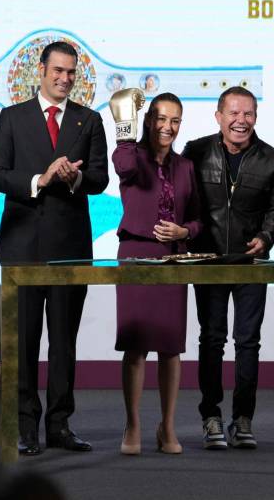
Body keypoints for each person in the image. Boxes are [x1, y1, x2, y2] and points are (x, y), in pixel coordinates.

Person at [0, 41, 109, 456]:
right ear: (40, 70)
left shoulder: (89, 120)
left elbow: (99, 179)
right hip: (21, 247)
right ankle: (25, 428)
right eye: (58, 70)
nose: (65, 78)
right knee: (22, 345)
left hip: (69, 248)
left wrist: (75, 178)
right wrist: (40, 179)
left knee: (63, 344)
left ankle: (60, 425)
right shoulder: (12, 117)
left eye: (71, 72)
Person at [181, 86, 274, 450]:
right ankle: (210, 416)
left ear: (256, 117)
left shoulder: (271, 158)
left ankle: (243, 419)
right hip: (208, 260)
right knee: (211, 339)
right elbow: (183, 198)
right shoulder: (195, 151)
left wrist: (267, 236)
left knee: (248, 341)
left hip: (251, 262)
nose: (241, 121)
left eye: (248, 114)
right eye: (234, 113)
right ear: (219, 116)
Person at [110, 89, 202, 455]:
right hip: (136, 254)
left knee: (170, 347)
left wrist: (184, 232)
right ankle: (132, 424)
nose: (168, 126)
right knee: (135, 347)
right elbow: (122, 166)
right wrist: (125, 119)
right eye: (161, 118)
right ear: (148, 120)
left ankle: (167, 425)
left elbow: (197, 219)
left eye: (175, 120)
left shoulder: (186, 166)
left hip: (173, 258)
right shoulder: (132, 156)